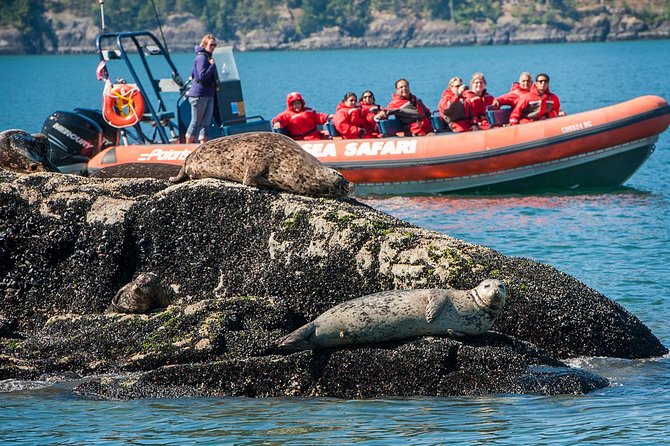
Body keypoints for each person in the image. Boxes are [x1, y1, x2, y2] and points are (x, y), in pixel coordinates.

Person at [185, 34, 219, 144]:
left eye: (215, 44)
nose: (213, 47)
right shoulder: (201, 58)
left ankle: (203, 145)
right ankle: (188, 148)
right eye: (211, 44)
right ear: (204, 45)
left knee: (206, 123)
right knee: (196, 122)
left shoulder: (208, 57)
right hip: (199, 95)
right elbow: (201, 76)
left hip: (208, 93)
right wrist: (212, 66)